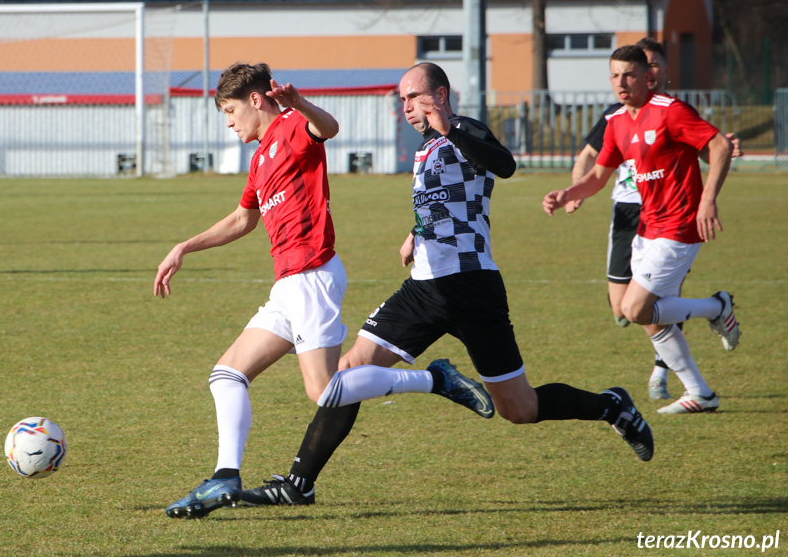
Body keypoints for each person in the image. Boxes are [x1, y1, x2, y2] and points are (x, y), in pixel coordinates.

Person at [238, 62, 653, 509]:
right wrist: (416, 231)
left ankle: (611, 405)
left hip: (473, 287)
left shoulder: (466, 130)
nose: (406, 107)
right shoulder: (425, 147)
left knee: (520, 409)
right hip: (423, 289)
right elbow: (443, 200)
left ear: (440, 94)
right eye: (402, 99)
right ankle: (299, 484)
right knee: (348, 372)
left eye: (413, 97)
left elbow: (504, 165)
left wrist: (450, 129)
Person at [154, 62, 494, 519]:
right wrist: (183, 247)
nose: (230, 123)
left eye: (231, 112)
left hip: (312, 275)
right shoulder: (258, 159)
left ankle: (436, 379)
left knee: (325, 392)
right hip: (288, 285)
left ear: (257, 100)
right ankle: (225, 476)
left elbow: (327, 127)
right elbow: (242, 219)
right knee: (226, 375)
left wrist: (297, 103)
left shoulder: (294, 126)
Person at [543, 45, 741, 416]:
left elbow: (718, 146)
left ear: (647, 77)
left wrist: (708, 199)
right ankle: (700, 393)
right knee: (647, 317)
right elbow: (599, 176)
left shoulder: (670, 112)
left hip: (680, 225)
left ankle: (716, 308)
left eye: (629, 74)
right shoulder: (617, 121)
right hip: (646, 228)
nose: (621, 82)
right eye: (615, 75)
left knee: (635, 308)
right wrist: (566, 193)